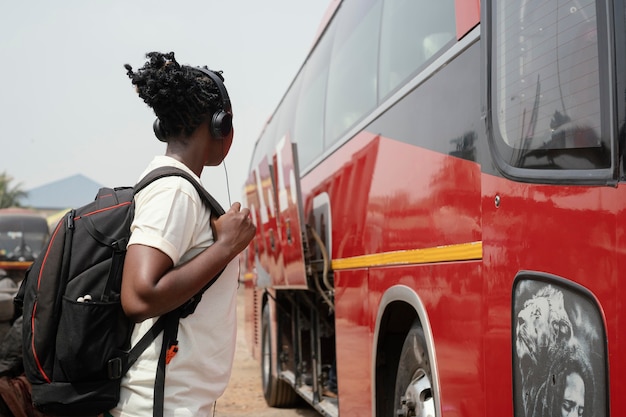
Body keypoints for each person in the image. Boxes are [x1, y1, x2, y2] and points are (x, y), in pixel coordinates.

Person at [108, 51, 256, 416]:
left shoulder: (178, 188)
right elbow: (139, 296)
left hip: (175, 401)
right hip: (160, 404)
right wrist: (225, 247)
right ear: (220, 125)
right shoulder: (175, 191)